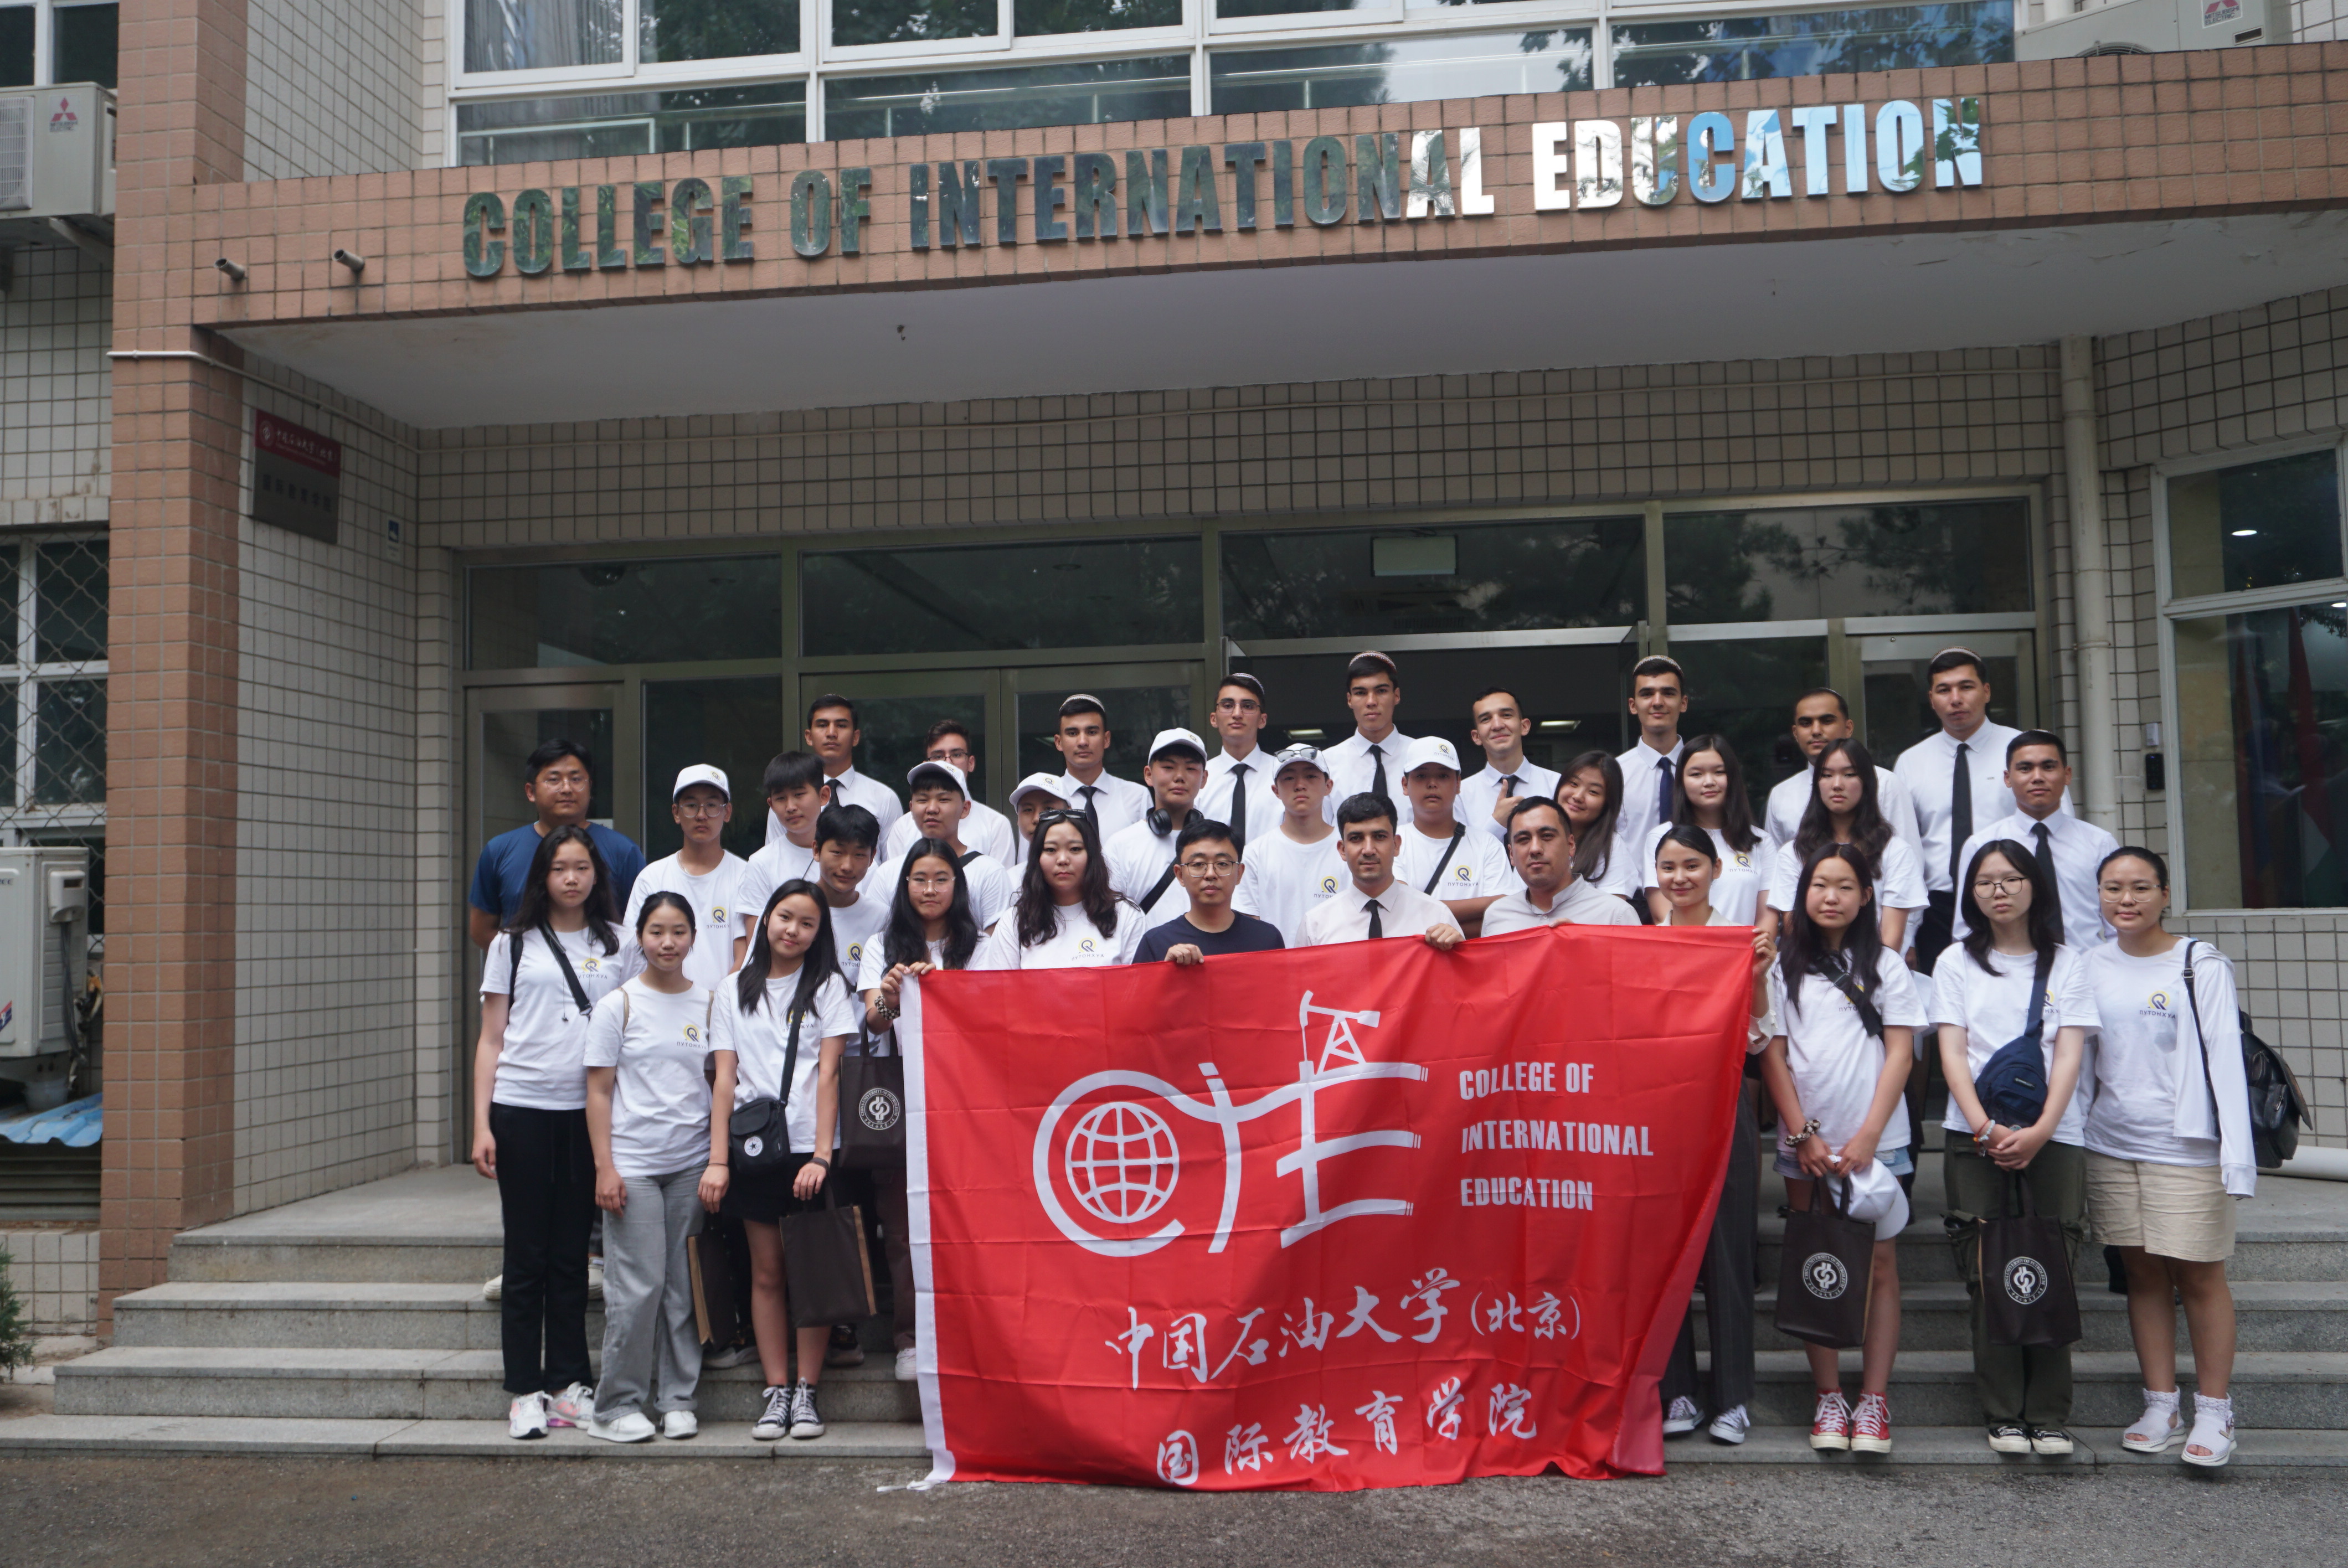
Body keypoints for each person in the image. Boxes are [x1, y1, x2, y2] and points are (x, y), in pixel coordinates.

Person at [2083, 847, 2253, 1469]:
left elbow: (2225, 1057)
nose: (2125, 900)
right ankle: (2161, 1404)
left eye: (2139, 887)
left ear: (2164, 895)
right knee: (2142, 1275)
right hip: (2111, 1144)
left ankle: (2214, 1410)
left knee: (2199, 1276)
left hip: (2186, 1147)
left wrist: (2237, 1158)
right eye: (2112, 888)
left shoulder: (2198, 963)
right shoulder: (2088, 965)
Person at [1759, 844, 1924, 1456]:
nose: (1831, 897)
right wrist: (1803, 1134)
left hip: (1879, 1143)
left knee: (1880, 1267)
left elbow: (1901, 1053)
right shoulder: (1781, 967)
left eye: (1845, 886)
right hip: (1806, 1143)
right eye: (1819, 885)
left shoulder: (1885, 964)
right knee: (1817, 1259)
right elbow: (1772, 1052)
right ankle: (1828, 1395)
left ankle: (1873, 1399)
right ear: (1802, 894)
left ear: (1865, 896)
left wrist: (1870, 1136)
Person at [1934, 838, 2093, 1456]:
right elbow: (1952, 1051)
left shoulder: (2068, 963)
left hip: (2055, 1136)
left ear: (2035, 887)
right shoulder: (1955, 961)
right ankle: (2002, 1412)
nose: (1997, 891)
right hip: (1971, 1134)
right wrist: (1983, 1128)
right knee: (1987, 1272)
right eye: (1984, 882)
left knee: (2053, 1269)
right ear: (1971, 894)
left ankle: (2049, 1414)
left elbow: (2070, 1053)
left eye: (2010, 879)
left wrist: (2042, 1130)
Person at [472, 824, 629, 1441]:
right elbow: (491, 1038)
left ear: (597, 874)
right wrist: (481, 1124)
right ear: (542, 875)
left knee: (571, 1255)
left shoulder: (619, 942)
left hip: (589, 1114)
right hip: (521, 1108)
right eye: (560, 868)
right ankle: (524, 1391)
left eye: (582, 868)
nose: (571, 878)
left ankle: (568, 1386)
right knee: (526, 1256)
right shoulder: (511, 944)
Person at [581, 891, 736, 1443]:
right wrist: (605, 1168)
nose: (667, 943)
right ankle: (616, 1406)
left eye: (678, 932)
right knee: (637, 1288)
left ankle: (677, 1400)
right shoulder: (617, 1005)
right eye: (656, 932)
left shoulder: (711, 1003)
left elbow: (721, 1083)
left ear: (693, 937)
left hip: (691, 1164)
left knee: (681, 1287)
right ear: (640, 937)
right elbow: (598, 1093)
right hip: (634, 1166)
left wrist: (716, 1159)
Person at [1654, 823, 1777, 1446]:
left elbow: (1759, 1039)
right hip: (1656, 1116)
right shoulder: (1641, 945)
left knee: (1729, 1254)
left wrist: (1756, 975)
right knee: (1664, 1255)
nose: (1680, 878)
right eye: (1668, 867)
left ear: (1716, 871)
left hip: (1724, 1109)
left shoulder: (1741, 942)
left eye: (1692, 866)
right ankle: (1675, 1389)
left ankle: (1732, 1398)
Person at [725, 880, 861, 1443]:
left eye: (807, 923)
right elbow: (724, 1079)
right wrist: (716, 1161)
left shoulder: (828, 987)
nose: (793, 931)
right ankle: (775, 1390)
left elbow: (830, 1074)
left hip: (809, 1148)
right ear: (766, 920)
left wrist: (823, 1156)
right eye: (785, 917)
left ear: (819, 932)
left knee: (812, 1271)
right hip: (753, 1149)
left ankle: (807, 1390)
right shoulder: (733, 989)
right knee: (766, 1272)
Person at [858, 840, 985, 1383]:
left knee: (973, 1224)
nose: (930, 890)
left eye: (941, 879)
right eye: (919, 879)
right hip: (904, 1099)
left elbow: (996, 1015)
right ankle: (910, 1338)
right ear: (904, 885)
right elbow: (874, 1020)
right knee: (903, 1225)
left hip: (971, 1103)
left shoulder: (982, 945)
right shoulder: (882, 943)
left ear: (957, 885)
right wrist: (890, 997)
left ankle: (972, 1335)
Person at [1893, 649, 2067, 969]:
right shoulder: (1911, 762)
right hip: (1938, 908)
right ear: (1931, 699)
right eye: (1944, 690)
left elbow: (2059, 829)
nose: (1955, 699)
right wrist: (1908, 934)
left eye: (1966, 687)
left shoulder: (2024, 751)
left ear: (1986, 691)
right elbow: (1903, 849)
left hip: (2014, 901)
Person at [468, 738, 646, 952]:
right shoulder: (499, 850)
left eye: (576, 779)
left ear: (590, 788)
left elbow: (643, 927)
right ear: (531, 791)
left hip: (601, 970)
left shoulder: (623, 851)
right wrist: (524, 960)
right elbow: (481, 930)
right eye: (554, 780)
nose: (567, 788)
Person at [1951, 730, 2117, 953]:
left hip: (2086, 966)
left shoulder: (2100, 844)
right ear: (2008, 778)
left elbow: (2118, 926)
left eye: (2048, 767)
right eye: (2025, 768)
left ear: (2067, 775)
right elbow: (1966, 928)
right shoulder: (1981, 845)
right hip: (2010, 969)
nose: (2037, 777)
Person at [1766, 740, 1927, 952]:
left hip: (1875, 969)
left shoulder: (1895, 851)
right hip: (1811, 968)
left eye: (1849, 774)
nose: (1837, 785)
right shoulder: (1793, 852)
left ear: (1867, 782)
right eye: (1826, 775)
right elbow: (1795, 930)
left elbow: (1891, 940)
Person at [621, 766, 748, 992]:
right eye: (691, 805)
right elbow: (633, 955)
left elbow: (751, 953)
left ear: (727, 812)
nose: (701, 815)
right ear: (676, 813)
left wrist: (722, 1001)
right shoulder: (652, 877)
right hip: (662, 1005)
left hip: (728, 1005)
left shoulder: (746, 875)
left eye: (712, 805)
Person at [975, 809, 1147, 968]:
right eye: (1051, 850)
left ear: (1092, 856)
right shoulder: (1014, 922)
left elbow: (1139, 984)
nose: (1063, 859)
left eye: (1075, 849)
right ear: (1036, 858)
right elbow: (1001, 988)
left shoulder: (1126, 915)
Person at [1765, 688, 1923, 853]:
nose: (1816, 731)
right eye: (1806, 723)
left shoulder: (1885, 783)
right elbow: (1777, 864)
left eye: (1827, 721)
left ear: (1848, 728)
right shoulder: (1781, 795)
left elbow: (1908, 857)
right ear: (1795, 733)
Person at [1299, 793, 1464, 950]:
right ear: (1342, 850)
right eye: (1356, 838)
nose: (1368, 850)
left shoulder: (1437, 917)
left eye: (1379, 837)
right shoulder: (1316, 926)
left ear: (1396, 845)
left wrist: (1458, 951)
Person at [864, 767, 1013, 931]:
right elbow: (874, 935)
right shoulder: (888, 873)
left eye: (943, 800)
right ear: (911, 808)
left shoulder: (989, 873)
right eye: (923, 800)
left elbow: (996, 942)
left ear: (965, 809)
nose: (932, 809)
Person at [1393, 736, 1516, 935]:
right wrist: (1487, 903)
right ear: (1405, 785)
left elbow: (1502, 914)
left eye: (1443, 776)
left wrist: (1419, 910)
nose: (1432, 784)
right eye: (1421, 776)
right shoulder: (1391, 841)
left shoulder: (1487, 844)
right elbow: (1398, 908)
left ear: (1458, 784)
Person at [1642, 735, 1770, 925]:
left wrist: (1750, 945)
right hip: (1683, 944)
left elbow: (1767, 917)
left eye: (1719, 772)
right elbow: (1663, 915)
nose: (1709, 781)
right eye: (1696, 774)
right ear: (1682, 781)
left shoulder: (1759, 840)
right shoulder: (1662, 837)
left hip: (1742, 944)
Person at [1233, 744, 1347, 947]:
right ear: (1276, 790)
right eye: (1289, 778)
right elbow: (1249, 929)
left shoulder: (1349, 850)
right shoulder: (1254, 855)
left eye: (1310, 776)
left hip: (1338, 963)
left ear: (1328, 786)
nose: (1300, 785)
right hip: (1276, 965)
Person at [1136, 818, 1286, 963]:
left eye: (1222, 864)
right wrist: (1164, 970)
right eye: (1198, 864)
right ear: (1180, 875)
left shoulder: (1267, 939)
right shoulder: (1156, 943)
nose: (1210, 874)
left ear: (1239, 873)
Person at [1483, 797, 1641, 933]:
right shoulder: (1497, 916)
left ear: (1571, 845)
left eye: (1547, 836)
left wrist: (1588, 946)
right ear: (1511, 854)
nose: (1535, 849)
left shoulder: (1615, 915)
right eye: (1523, 840)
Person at [1104, 729, 1210, 926]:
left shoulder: (1217, 843)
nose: (1180, 777)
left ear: (1204, 778)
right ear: (1148, 775)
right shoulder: (1120, 845)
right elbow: (1110, 920)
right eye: (1168, 767)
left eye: (1190, 769)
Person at [737, 752, 832, 961]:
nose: (790, 807)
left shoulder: (847, 858)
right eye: (781, 798)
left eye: (799, 794)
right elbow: (756, 945)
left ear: (824, 795)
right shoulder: (762, 863)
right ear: (771, 804)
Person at [879, 720, 1017, 865]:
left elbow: (1000, 878)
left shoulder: (995, 825)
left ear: (971, 763)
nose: (948, 763)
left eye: (957, 755)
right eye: (938, 756)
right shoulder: (903, 827)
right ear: (926, 764)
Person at [778, 694, 902, 844]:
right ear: (809, 737)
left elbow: (894, 859)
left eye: (841, 726)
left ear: (856, 737)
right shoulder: (786, 801)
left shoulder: (884, 798)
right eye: (822, 725)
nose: (831, 733)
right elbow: (774, 854)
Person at [1613, 656, 1690, 865]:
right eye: (1647, 694)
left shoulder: (1706, 771)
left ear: (1683, 703)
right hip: (1632, 886)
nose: (1657, 702)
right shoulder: (1614, 774)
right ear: (1633, 705)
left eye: (1668, 693)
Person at [1458, 686, 1561, 843]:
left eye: (1506, 715)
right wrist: (1496, 824)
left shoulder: (1557, 785)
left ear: (1524, 726)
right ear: (1476, 737)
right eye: (1486, 719)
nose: (1497, 725)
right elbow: (1460, 854)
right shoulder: (1460, 795)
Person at [1320, 652, 1418, 812]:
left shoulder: (1420, 756)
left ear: (1396, 696)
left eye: (1381, 691)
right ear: (1350, 700)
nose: (1371, 702)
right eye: (1361, 693)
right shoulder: (1327, 763)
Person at [1197, 674, 1281, 855]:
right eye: (1228, 706)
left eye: (1248, 706)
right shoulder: (1198, 778)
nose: (1237, 714)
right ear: (1214, 718)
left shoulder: (1284, 774)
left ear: (1262, 720)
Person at [1051, 694, 1151, 837]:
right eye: (1073, 733)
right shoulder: (1046, 798)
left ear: (1106, 739)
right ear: (1059, 742)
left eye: (1092, 732)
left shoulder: (1137, 796)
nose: (1083, 742)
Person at [1554, 751, 1641, 905]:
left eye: (1593, 792)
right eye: (1574, 784)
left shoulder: (1612, 847)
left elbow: (1613, 912)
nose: (1578, 796)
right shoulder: (1536, 836)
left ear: (1607, 804)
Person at [1008, 773, 1069, 862]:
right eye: (1028, 810)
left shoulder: (1084, 868)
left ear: (1069, 813)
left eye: (1049, 809)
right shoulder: (1015, 871)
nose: (1037, 819)